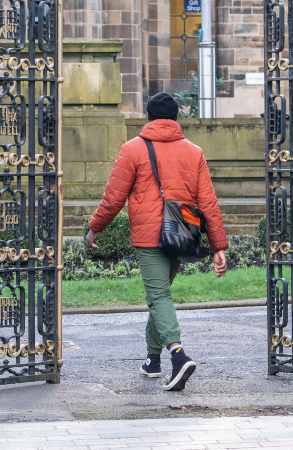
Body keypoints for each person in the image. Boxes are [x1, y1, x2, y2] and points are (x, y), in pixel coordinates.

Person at [84, 93, 228, 391]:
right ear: (176, 117)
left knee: (158, 296)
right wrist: (218, 246)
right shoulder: (194, 152)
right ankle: (153, 360)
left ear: (148, 117)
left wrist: (94, 228)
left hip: (149, 237)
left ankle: (178, 355)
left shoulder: (132, 150)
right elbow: (209, 202)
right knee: (159, 295)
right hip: (181, 235)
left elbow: (113, 198)